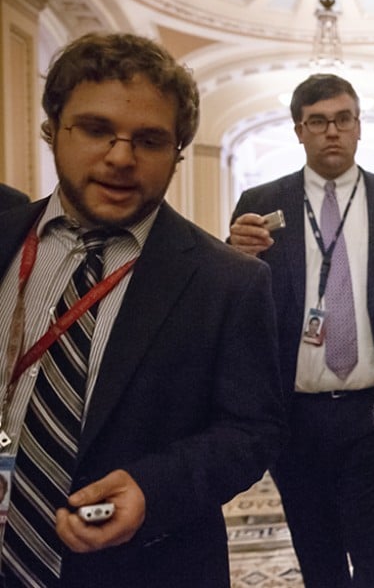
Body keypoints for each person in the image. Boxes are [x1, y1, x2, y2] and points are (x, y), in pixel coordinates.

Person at [0, 32, 286, 587]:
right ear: (53, 128)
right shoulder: (3, 239)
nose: (121, 157)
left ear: (176, 155)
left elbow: (252, 432)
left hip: (144, 566)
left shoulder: (227, 280)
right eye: (96, 129)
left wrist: (154, 488)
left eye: (150, 140)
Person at [228, 74, 374, 588]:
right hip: (297, 420)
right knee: (320, 564)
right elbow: (241, 309)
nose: (331, 131)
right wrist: (234, 256)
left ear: (359, 127)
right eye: (318, 122)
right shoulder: (261, 201)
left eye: (342, 119)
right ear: (299, 130)